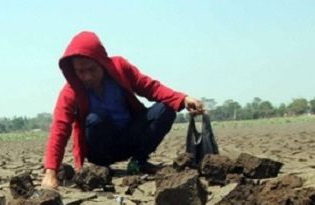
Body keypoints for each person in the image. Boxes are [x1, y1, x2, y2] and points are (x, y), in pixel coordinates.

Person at [41, 31, 205, 189]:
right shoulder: (71, 91)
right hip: (100, 150)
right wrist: (51, 172)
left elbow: (150, 87)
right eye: (80, 71)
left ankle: (138, 162)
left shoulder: (120, 68)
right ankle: (102, 169)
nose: (87, 76)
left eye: (92, 69)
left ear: (102, 62)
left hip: (129, 137)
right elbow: (59, 129)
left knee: (166, 108)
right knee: (95, 119)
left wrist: (183, 99)